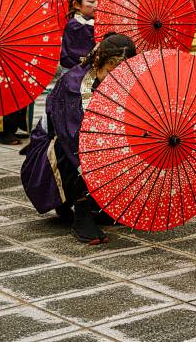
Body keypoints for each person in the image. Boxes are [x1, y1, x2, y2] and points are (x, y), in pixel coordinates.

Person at [19, 33, 137, 244]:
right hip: (57, 147)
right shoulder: (75, 85)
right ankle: (81, 210)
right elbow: (72, 135)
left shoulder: (119, 82)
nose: (114, 80)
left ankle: (101, 204)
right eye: (110, 72)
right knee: (76, 151)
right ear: (101, 62)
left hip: (92, 138)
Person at [59, 0, 100, 72]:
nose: (97, 5)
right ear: (77, 5)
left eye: (99, 1)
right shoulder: (73, 25)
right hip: (73, 70)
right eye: (91, 1)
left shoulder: (98, 23)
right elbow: (70, 54)